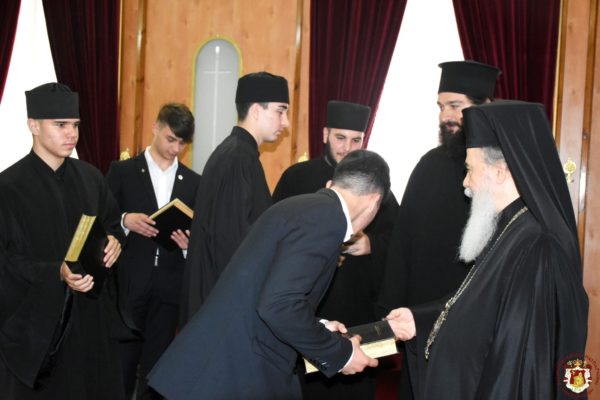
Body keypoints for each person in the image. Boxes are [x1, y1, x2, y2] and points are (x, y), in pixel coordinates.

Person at [385, 101, 589, 399]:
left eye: (470, 169)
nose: (465, 183)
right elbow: (481, 309)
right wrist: (421, 319)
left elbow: (521, 364)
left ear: (500, 171)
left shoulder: (538, 246)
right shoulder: (511, 228)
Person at [147, 150, 389, 400]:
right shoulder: (329, 218)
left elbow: (266, 288)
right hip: (232, 371)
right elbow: (278, 305)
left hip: (220, 363)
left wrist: (320, 326)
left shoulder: (299, 206)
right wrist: (341, 354)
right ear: (374, 201)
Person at [0, 82, 134, 399]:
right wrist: (55, 272)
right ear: (33, 125)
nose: (71, 134)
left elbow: (111, 225)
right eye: (60, 125)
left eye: (75, 125)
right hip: (40, 327)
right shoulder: (8, 188)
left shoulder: (91, 178)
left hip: (92, 318)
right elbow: (6, 261)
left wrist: (115, 242)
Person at [375, 60, 501, 399]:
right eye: (441, 106)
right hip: (421, 320)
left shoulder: (502, 170)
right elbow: (402, 244)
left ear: (485, 106)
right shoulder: (429, 164)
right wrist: (391, 311)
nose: (446, 116)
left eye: (455, 105)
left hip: (476, 324)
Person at [273, 100, 399, 399]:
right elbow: (276, 238)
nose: (347, 148)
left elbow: (399, 241)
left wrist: (371, 245)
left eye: (356, 140)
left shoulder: (375, 185)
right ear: (325, 134)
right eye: (340, 138)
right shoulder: (296, 178)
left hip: (358, 307)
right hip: (312, 307)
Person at [105, 103, 201, 399]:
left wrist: (187, 246)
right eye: (171, 139)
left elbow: (199, 236)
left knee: (158, 372)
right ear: (155, 128)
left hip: (170, 289)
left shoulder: (194, 182)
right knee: (120, 367)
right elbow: (102, 222)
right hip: (128, 286)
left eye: (182, 143)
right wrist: (125, 221)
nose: (175, 149)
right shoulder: (122, 171)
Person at [179, 71, 290, 325]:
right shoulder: (238, 158)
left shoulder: (238, 153)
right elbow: (231, 243)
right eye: (280, 111)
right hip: (224, 306)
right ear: (256, 110)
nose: (285, 122)